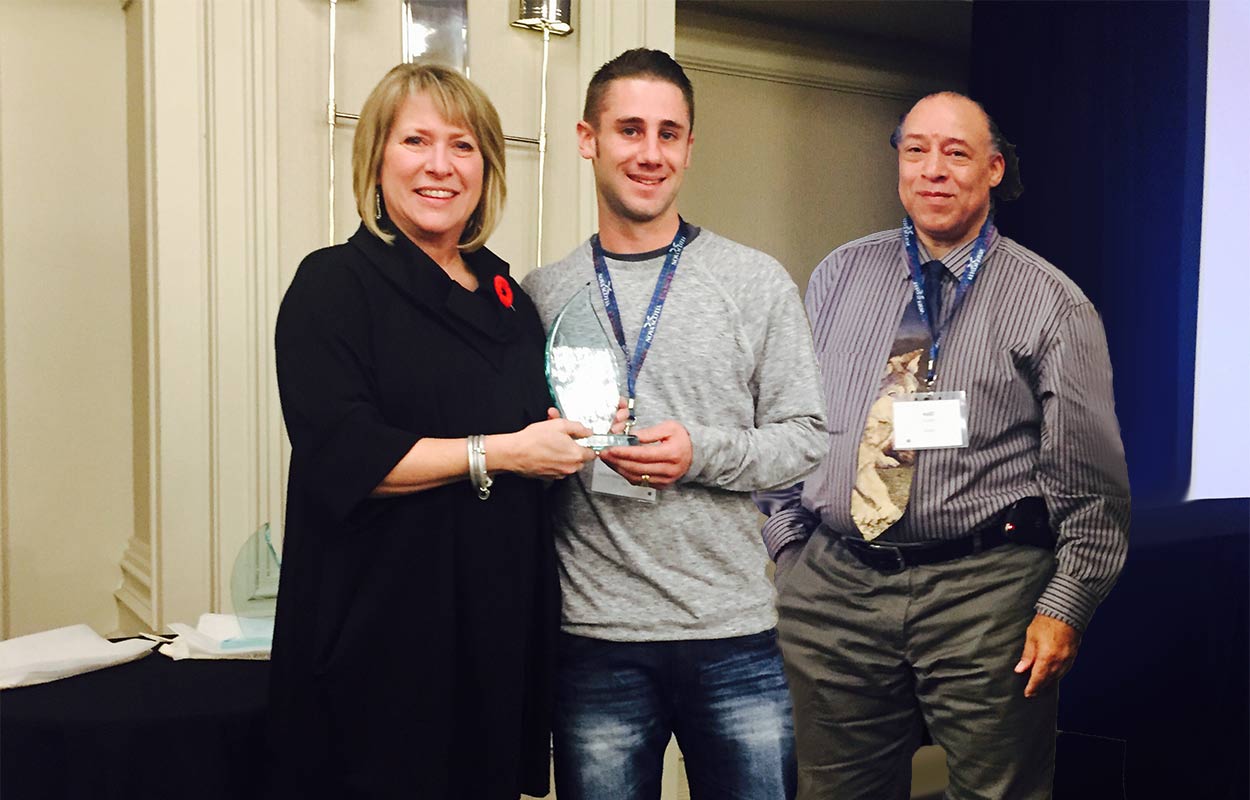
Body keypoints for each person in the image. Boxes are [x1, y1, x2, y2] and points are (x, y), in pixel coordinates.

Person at [757, 91, 1131, 799]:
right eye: (916, 149)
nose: (934, 169)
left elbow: (1093, 485)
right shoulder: (839, 275)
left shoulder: (1054, 303)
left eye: (956, 153)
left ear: (993, 169)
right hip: (834, 586)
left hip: (983, 595)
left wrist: (1065, 606)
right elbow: (786, 417)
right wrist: (788, 541)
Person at [268, 63, 597, 799]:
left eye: (463, 145)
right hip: (381, 635)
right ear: (377, 158)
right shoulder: (333, 286)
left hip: (496, 628)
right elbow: (344, 457)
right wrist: (505, 453)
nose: (440, 166)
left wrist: (585, 430)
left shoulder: (510, 300)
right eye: (416, 140)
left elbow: (534, 428)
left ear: (487, 165)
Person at [521, 48, 826, 800]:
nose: (649, 153)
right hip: (594, 639)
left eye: (669, 133)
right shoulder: (539, 295)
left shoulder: (752, 282)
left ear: (690, 147)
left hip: (732, 634)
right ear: (587, 138)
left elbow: (806, 438)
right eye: (629, 130)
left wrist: (701, 453)